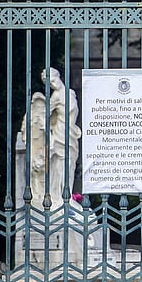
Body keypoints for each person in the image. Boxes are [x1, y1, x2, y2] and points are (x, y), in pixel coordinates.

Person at [24, 67, 81, 208]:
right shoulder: (55, 97)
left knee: (70, 165)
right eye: (48, 83)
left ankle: (68, 197)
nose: (52, 84)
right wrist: (43, 126)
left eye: (52, 80)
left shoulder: (70, 93)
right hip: (60, 133)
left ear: (58, 76)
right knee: (61, 165)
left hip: (72, 133)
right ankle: (61, 197)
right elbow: (44, 114)